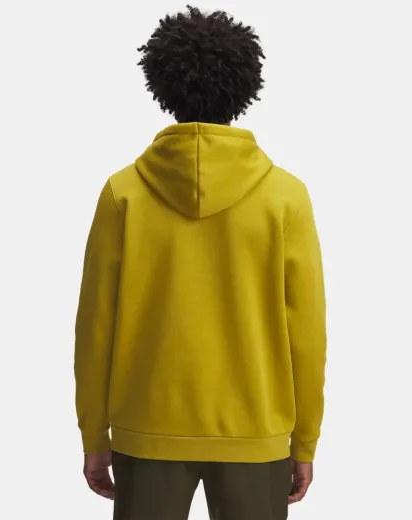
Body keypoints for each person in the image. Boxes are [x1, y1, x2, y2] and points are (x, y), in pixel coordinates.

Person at [74, 5, 327, 519]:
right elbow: (307, 333)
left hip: (147, 429)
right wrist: (304, 441)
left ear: (162, 84)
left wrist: (94, 434)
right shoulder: (285, 197)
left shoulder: (123, 194)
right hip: (256, 430)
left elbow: (95, 328)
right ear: (245, 86)